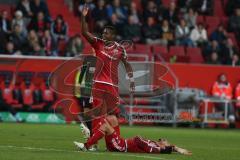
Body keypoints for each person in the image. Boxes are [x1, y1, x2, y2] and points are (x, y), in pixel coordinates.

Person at [79, 3, 135, 144]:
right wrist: (83, 17)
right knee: (99, 114)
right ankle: (93, 142)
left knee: (113, 116)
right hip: (99, 84)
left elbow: (127, 64)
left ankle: (117, 143)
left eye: (106, 33)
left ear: (113, 35)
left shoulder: (120, 49)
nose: (103, 34)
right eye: (103, 32)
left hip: (112, 88)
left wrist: (132, 80)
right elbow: (85, 33)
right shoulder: (98, 44)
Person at [74, 115, 192, 155]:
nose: (162, 140)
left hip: (121, 147)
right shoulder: (154, 144)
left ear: (164, 146)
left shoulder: (155, 148)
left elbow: (141, 143)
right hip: (121, 142)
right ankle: (92, 135)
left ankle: (87, 145)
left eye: (164, 141)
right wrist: (176, 148)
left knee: (105, 126)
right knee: (112, 118)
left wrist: (174, 148)